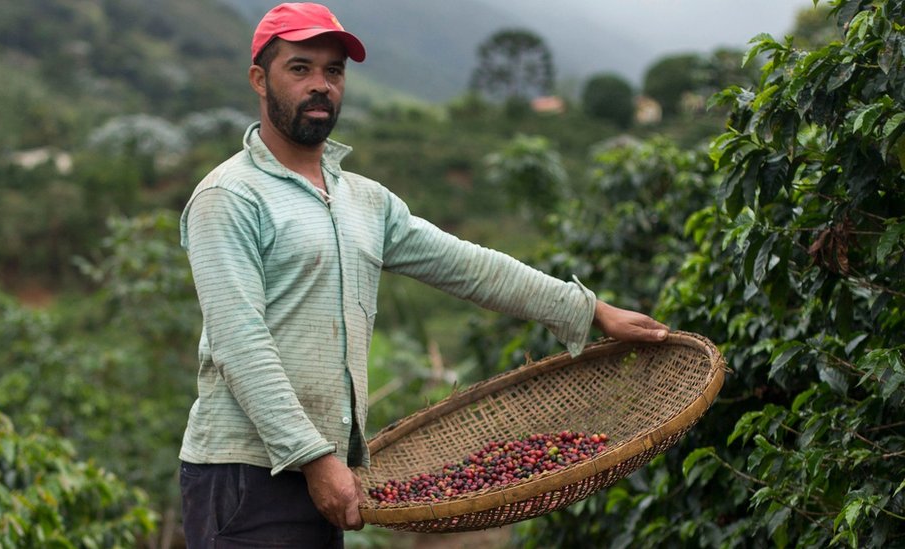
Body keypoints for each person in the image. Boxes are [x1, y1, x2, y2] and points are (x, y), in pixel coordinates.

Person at [177, 3, 670, 547]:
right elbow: (239, 343)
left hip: (327, 471)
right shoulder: (230, 196)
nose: (320, 84)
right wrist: (314, 458)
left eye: (333, 71)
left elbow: (470, 266)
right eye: (300, 68)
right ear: (259, 79)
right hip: (245, 474)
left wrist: (591, 311)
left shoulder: (364, 200)